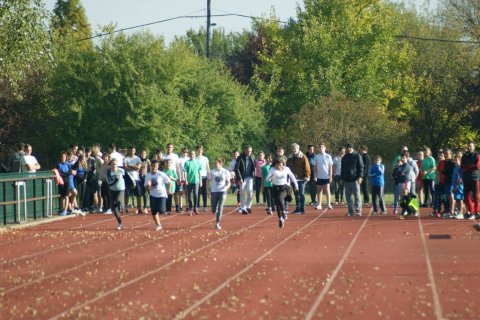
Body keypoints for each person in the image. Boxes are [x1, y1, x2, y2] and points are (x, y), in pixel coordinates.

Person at [266, 158, 299, 228]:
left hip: (284, 188)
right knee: (277, 204)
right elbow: (267, 179)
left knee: (280, 198)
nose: (279, 167)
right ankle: (281, 219)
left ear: (282, 164)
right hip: (275, 188)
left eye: (280, 165)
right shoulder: (272, 169)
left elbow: (292, 177)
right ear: (275, 165)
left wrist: (296, 185)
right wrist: (271, 177)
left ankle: (284, 211)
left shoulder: (286, 169)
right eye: (277, 165)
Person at [145, 160, 171, 230]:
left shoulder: (161, 174)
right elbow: (146, 187)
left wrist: (168, 191)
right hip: (153, 195)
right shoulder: (148, 175)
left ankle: (162, 209)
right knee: (153, 211)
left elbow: (169, 182)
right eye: (153, 166)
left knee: (161, 211)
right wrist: (148, 186)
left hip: (161, 194)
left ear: (158, 167)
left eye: (156, 166)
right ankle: (158, 225)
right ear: (151, 166)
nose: (154, 168)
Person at [286, 143, 311, 214]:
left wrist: (307, 176)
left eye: (295, 149)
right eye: (292, 148)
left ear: (298, 149)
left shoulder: (303, 157)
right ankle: (297, 208)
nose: (293, 150)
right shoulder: (290, 158)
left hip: (302, 179)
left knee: (301, 193)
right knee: (296, 194)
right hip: (293, 179)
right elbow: (287, 168)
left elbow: (307, 167)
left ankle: (302, 209)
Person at [207, 158, 231, 230]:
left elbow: (229, 182)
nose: (215, 165)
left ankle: (217, 223)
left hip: (222, 191)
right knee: (213, 209)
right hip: (214, 191)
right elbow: (207, 181)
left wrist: (226, 187)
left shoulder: (225, 172)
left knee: (220, 207)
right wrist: (207, 190)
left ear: (220, 164)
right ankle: (215, 211)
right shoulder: (212, 172)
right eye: (215, 164)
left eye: (216, 163)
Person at [340, 143, 364, 216]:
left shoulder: (357, 156)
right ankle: (350, 211)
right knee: (348, 197)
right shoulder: (344, 157)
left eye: (351, 148)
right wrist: (341, 178)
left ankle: (358, 211)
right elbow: (342, 169)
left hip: (355, 179)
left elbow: (361, 167)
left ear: (353, 148)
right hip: (346, 180)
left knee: (357, 196)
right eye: (348, 148)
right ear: (347, 149)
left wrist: (360, 176)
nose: (349, 149)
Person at [461, 142, 480, 220]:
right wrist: (471, 166)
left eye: (471, 146)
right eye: (468, 146)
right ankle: (471, 211)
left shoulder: (477, 155)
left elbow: (477, 166)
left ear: (474, 147)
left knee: (476, 196)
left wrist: (468, 167)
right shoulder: (464, 156)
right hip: (466, 178)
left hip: (475, 178)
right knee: (466, 196)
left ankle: (477, 212)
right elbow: (462, 166)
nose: (469, 147)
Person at [235, 145, 256, 214]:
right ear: (245, 151)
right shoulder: (240, 157)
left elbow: (254, 166)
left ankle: (248, 206)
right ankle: (243, 207)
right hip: (242, 178)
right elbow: (237, 168)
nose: (249, 152)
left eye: (250, 151)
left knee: (250, 192)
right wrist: (240, 178)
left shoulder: (252, 157)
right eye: (248, 151)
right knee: (242, 192)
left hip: (250, 177)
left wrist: (254, 173)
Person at [106, 159, 125, 230]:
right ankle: (120, 223)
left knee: (117, 201)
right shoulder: (108, 172)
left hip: (120, 189)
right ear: (110, 165)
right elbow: (109, 183)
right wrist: (116, 180)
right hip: (112, 190)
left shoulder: (121, 171)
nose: (114, 166)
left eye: (115, 164)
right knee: (114, 207)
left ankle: (122, 206)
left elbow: (126, 178)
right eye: (113, 164)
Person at [313, 142, 332, 210]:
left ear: (325, 148)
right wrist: (315, 176)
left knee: (327, 189)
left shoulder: (328, 156)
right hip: (319, 176)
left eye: (322, 147)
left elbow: (330, 167)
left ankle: (328, 204)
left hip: (326, 176)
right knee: (319, 190)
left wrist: (330, 176)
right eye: (320, 147)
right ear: (318, 148)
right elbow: (314, 167)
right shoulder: (316, 156)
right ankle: (319, 204)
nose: (321, 148)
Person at [124, 147, 143, 214]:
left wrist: (129, 166)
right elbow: (125, 168)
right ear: (128, 151)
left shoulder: (137, 158)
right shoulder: (126, 158)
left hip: (136, 178)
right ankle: (125, 208)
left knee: (138, 194)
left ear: (135, 151)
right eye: (130, 150)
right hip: (128, 178)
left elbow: (138, 167)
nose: (132, 151)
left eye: (133, 150)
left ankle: (139, 208)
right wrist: (134, 167)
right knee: (126, 194)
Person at [163, 143, 181, 212]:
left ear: (172, 148)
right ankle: (167, 208)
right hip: (166, 175)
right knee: (167, 193)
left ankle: (177, 207)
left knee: (176, 193)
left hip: (173, 176)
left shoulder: (175, 156)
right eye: (168, 147)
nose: (169, 148)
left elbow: (177, 166)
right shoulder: (164, 156)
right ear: (166, 148)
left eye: (170, 147)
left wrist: (179, 177)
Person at [184, 149, 202, 215]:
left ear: (195, 155)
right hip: (189, 181)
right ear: (189, 155)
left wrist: (201, 181)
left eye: (193, 154)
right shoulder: (187, 162)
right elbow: (185, 172)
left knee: (196, 194)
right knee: (189, 196)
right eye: (191, 154)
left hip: (196, 181)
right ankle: (190, 208)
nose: (192, 155)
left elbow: (200, 172)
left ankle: (195, 207)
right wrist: (185, 180)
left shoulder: (197, 162)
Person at [56, 151, 73, 216]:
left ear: (66, 157)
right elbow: (60, 173)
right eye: (62, 157)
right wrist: (67, 173)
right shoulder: (58, 164)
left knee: (66, 195)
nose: (63, 158)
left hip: (67, 181)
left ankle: (66, 210)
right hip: (61, 181)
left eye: (64, 157)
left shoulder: (68, 164)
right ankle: (62, 209)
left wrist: (68, 173)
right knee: (62, 196)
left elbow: (70, 172)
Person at [196, 145, 210, 212]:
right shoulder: (195, 158)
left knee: (204, 192)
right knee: (197, 192)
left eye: (201, 150)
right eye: (198, 150)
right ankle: (197, 206)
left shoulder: (205, 158)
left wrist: (209, 175)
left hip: (204, 176)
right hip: (197, 177)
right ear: (196, 151)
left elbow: (208, 167)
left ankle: (205, 206)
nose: (200, 151)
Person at [451, 154, 464, 219]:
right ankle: (458, 211)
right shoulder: (455, 168)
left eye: (456, 160)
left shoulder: (459, 168)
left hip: (459, 187)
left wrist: (456, 186)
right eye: (454, 160)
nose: (455, 161)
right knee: (457, 199)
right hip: (454, 186)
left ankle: (461, 212)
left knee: (459, 199)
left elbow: (460, 179)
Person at [176, 147, 189, 213]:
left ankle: (187, 206)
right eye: (184, 152)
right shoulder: (179, 159)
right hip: (181, 178)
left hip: (187, 178)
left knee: (187, 193)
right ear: (182, 152)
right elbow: (177, 169)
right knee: (180, 193)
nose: (185, 153)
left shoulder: (189, 159)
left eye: (186, 152)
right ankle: (180, 206)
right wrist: (179, 177)